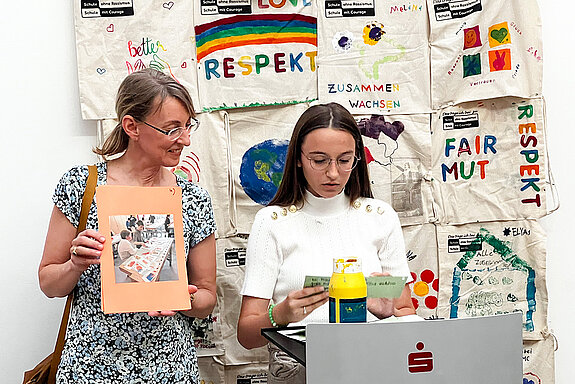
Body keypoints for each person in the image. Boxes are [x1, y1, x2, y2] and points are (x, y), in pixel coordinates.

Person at [38, 68, 217, 384]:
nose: (185, 140)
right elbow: (49, 283)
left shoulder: (192, 198)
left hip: (170, 368)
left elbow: (206, 298)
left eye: (188, 127)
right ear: (132, 126)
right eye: (172, 129)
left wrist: (183, 298)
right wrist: (75, 264)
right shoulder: (82, 185)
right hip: (91, 367)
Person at [237, 102, 416, 384]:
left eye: (344, 160)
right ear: (297, 157)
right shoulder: (271, 222)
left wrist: (388, 314)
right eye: (319, 160)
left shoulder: (380, 217)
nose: (333, 173)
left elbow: (407, 315)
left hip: (371, 367)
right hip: (297, 372)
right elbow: (246, 335)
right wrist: (281, 314)